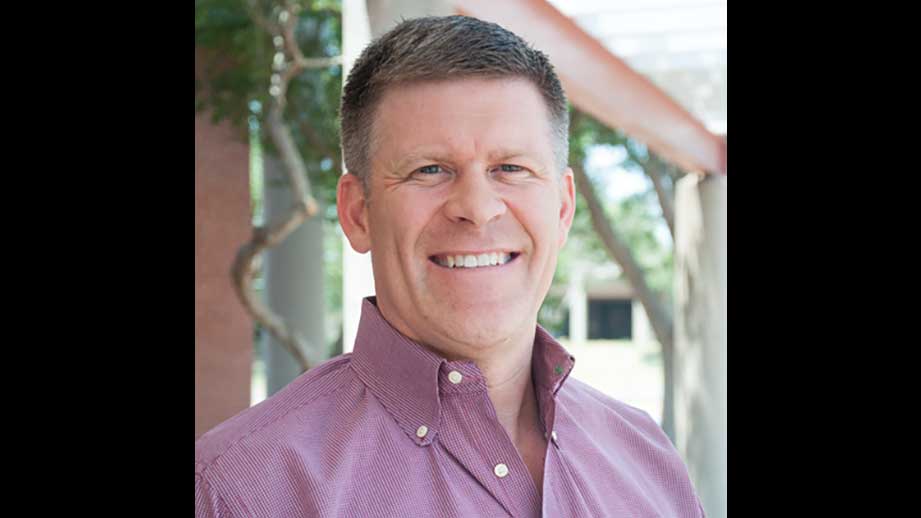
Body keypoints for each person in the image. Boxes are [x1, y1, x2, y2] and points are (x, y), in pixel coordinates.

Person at [196, 15, 705, 517]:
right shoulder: (235, 492)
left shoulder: (649, 461)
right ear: (358, 214)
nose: (477, 208)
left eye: (511, 168)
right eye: (430, 170)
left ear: (563, 208)